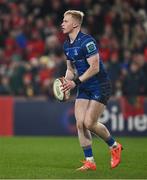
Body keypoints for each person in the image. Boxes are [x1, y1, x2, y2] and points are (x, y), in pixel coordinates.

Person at [61, 10, 123, 171]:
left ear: (75, 24)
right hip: (83, 85)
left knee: (89, 123)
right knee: (80, 123)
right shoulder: (67, 44)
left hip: (99, 84)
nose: (62, 23)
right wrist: (65, 83)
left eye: (66, 21)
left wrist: (75, 82)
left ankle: (114, 146)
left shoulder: (87, 42)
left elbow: (94, 68)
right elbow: (70, 69)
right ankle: (90, 161)